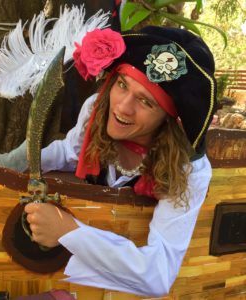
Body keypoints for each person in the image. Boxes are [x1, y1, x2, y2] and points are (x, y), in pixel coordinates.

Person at [22, 25, 217, 297]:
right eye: (122, 85)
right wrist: (12, 164)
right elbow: (69, 152)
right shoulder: (98, 109)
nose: (123, 107)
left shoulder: (188, 169)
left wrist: (67, 230)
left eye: (146, 102)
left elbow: (158, 275)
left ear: (167, 119)